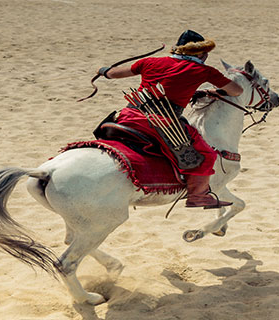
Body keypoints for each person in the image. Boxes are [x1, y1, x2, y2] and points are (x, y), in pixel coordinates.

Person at [100, 30, 243, 208]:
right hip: (161, 122)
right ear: (199, 52)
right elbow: (237, 91)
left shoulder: (150, 62)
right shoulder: (203, 70)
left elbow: (114, 74)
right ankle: (198, 196)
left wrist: (104, 71)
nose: (206, 56)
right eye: (204, 52)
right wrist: (214, 89)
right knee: (207, 155)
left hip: (128, 115)